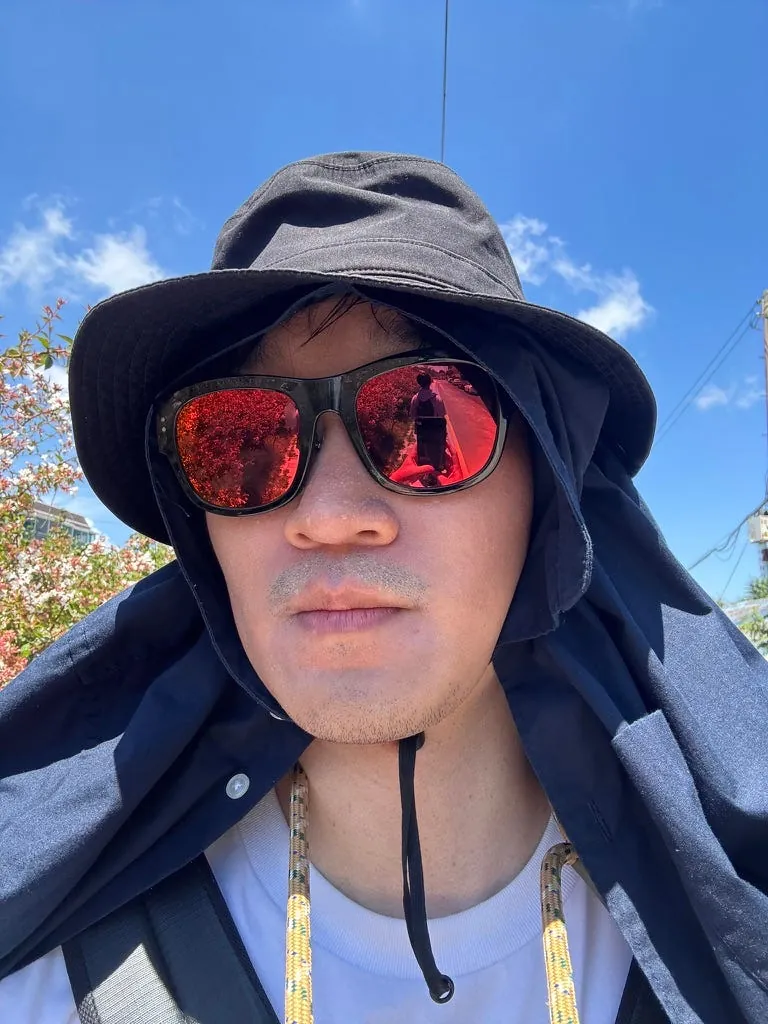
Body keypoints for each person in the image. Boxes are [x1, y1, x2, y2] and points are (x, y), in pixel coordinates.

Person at [1, 152, 767, 1024]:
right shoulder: (46, 980)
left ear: (548, 492)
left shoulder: (731, 932)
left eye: (427, 418)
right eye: (240, 440)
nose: (328, 517)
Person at [410, 370, 448, 472]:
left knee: (422, 453)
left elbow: (413, 416)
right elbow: (442, 416)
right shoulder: (437, 398)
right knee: (437, 451)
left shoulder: (415, 399)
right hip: (435, 432)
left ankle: (424, 470)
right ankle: (437, 468)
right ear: (430, 382)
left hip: (421, 433)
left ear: (419, 383)